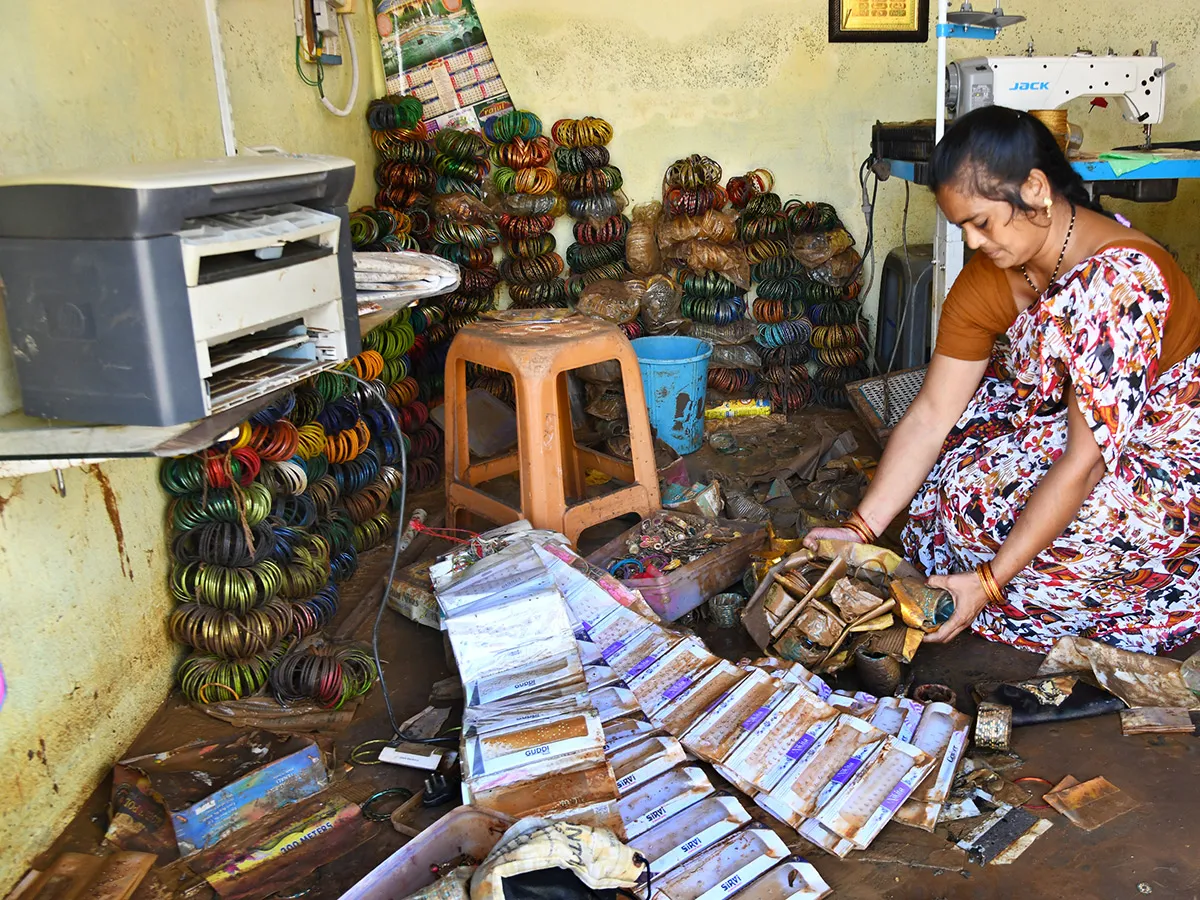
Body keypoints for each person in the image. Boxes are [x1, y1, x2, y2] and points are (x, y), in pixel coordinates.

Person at [808, 105, 1200, 654]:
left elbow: (1085, 464)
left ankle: (1006, 585)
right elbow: (931, 415)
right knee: (952, 488)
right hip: (1062, 435)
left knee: (1067, 550)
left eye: (982, 222)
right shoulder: (990, 277)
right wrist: (860, 529)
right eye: (960, 226)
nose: (971, 242)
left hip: (1148, 458)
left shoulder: (1118, 284)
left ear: (1036, 189)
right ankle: (981, 572)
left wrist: (988, 583)